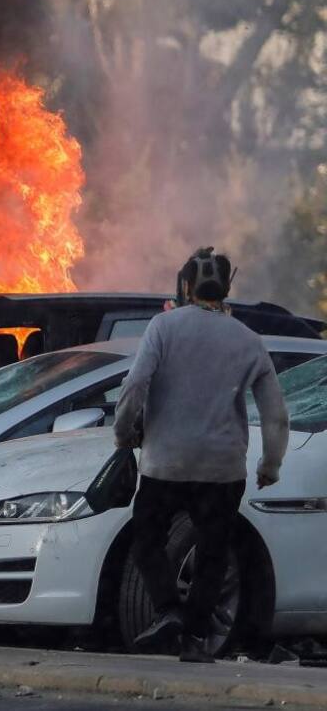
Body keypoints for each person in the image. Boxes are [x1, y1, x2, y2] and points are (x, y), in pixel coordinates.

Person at [114, 247, 289, 663]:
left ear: (187, 285)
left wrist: (124, 434)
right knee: (213, 552)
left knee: (147, 539)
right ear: (227, 287)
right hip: (223, 467)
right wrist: (271, 464)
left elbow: (136, 385)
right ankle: (194, 638)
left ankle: (169, 609)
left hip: (165, 463)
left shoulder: (163, 326)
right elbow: (275, 415)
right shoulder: (248, 340)